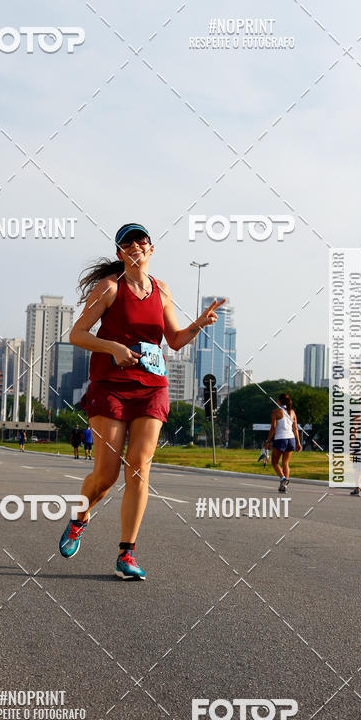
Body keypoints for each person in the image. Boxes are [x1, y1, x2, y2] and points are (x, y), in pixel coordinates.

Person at [58, 222, 225, 580]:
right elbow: (77, 334)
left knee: (139, 467)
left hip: (152, 386)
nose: (137, 244)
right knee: (106, 475)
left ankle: (126, 554)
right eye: (129, 242)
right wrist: (113, 347)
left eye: (142, 240)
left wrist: (200, 323)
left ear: (151, 250)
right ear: (121, 253)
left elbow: (175, 340)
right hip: (111, 386)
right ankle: (79, 519)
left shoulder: (161, 290)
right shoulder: (110, 288)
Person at [265, 393, 302, 493]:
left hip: (280, 439)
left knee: (274, 462)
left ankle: (283, 479)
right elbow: (295, 429)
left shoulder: (276, 412)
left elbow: (273, 427)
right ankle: (284, 486)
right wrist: (298, 443)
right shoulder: (292, 412)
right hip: (291, 439)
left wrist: (268, 441)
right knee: (285, 463)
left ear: (279, 401)